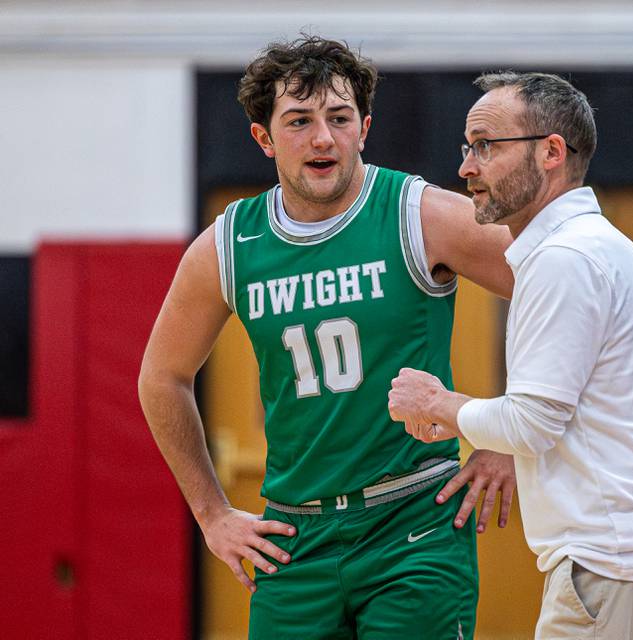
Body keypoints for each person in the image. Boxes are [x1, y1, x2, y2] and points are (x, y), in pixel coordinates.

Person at [138, 36, 517, 639]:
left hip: (412, 523)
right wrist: (211, 514)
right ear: (264, 137)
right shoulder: (229, 245)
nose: (322, 138)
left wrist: (511, 432)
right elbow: (162, 377)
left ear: (364, 128)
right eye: (299, 121)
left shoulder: (418, 214)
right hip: (295, 539)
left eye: (339, 118)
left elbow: (559, 294)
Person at [388, 71, 633, 640]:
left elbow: (532, 424)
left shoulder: (564, 258)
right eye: (466, 148)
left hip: (626, 573)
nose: (467, 167)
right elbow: (561, 416)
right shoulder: (595, 246)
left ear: (551, 152)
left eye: (485, 146)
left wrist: (437, 403)